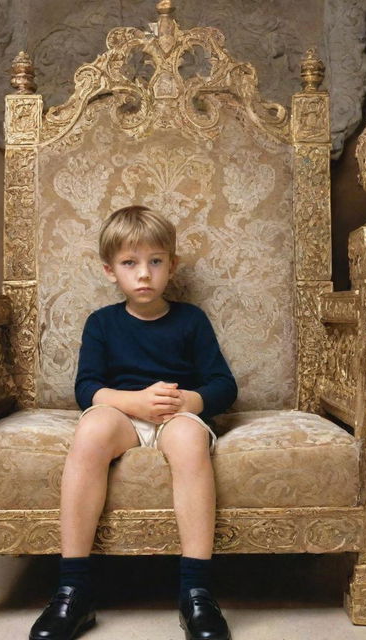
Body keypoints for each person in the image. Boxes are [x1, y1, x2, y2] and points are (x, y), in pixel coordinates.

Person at [29, 205, 238, 640]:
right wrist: (135, 403)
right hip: (124, 416)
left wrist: (187, 402)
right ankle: (73, 589)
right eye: (130, 263)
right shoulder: (102, 324)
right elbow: (87, 388)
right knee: (91, 428)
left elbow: (223, 384)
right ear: (110, 271)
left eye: (155, 262)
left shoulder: (190, 321)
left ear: (172, 266)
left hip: (175, 414)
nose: (144, 274)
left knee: (186, 440)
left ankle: (196, 591)